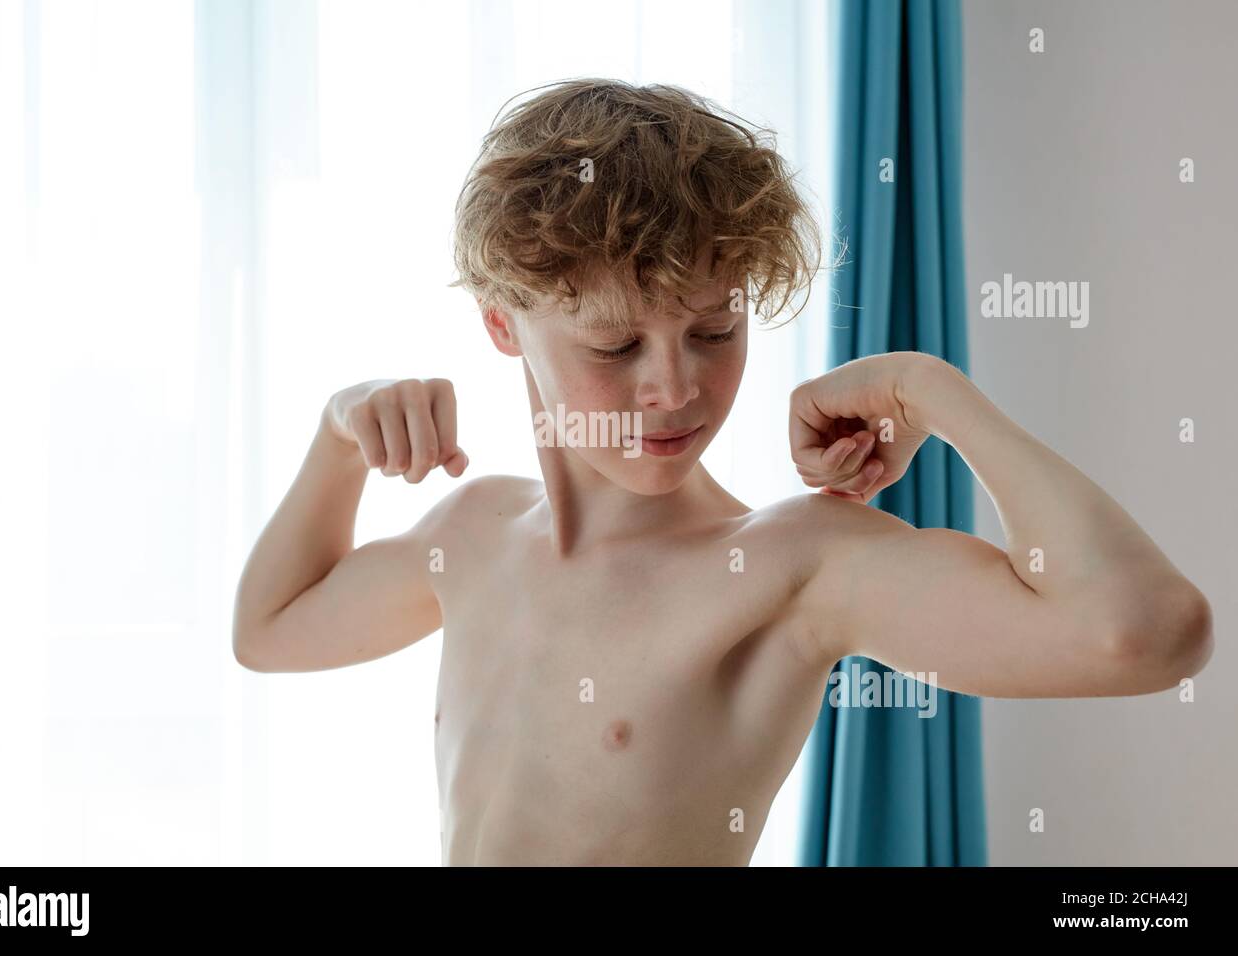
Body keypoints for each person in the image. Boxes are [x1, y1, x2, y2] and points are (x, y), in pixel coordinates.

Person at [231, 79, 1212, 866]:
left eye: (714, 330)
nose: (675, 388)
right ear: (501, 323)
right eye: (613, 346)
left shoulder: (796, 561)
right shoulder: (473, 529)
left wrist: (931, 389)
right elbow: (268, 632)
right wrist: (337, 431)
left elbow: (1143, 632)